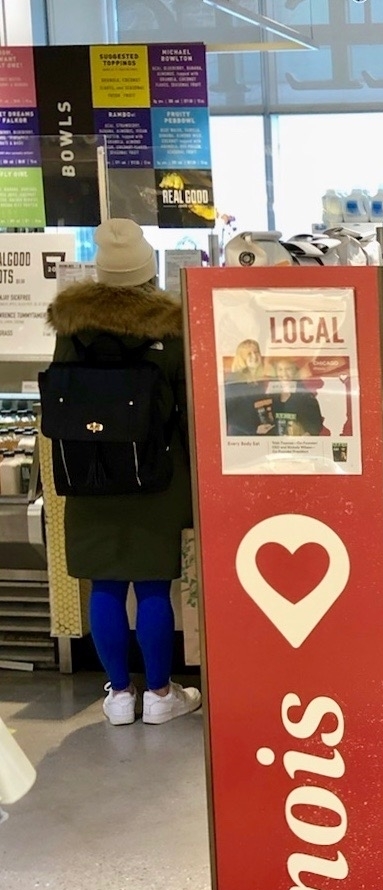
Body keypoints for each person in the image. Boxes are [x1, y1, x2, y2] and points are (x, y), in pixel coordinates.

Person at [46, 219, 200, 727]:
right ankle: (158, 693)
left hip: (87, 472)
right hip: (155, 472)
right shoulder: (171, 328)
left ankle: (116, 695)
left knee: (105, 584)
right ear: (147, 269)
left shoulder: (71, 327)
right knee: (154, 587)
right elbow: (186, 405)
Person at [225, 339, 275, 435]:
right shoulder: (234, 379)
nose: (254, 356)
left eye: (256, 352)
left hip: (262, 432)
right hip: (242, 436)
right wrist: (253, 429)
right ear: (242, 358)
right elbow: (227, 413)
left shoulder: (260, 379)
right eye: (249, 354)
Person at [269, 358, 325, 436]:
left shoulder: (306, 396)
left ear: (295, 371)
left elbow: (316, 427)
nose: (284, 373)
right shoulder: (273, 396)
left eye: (288, 369)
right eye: (280, 369)